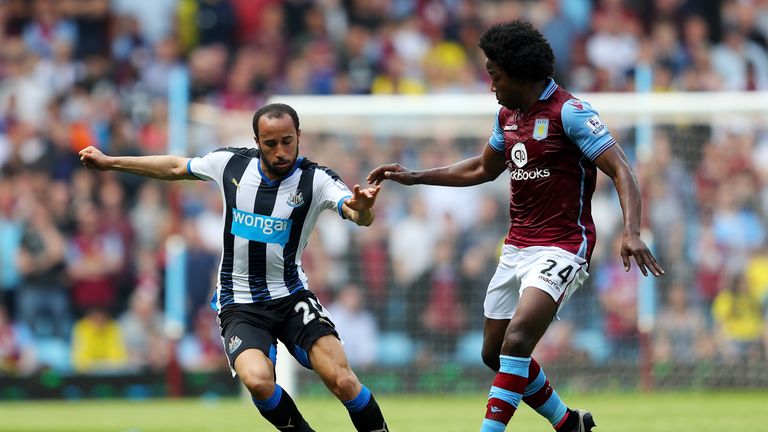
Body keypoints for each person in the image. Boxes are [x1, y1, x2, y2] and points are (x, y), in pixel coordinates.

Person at [368, 20, 664, 432]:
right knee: (495, 353)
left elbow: (621, 169)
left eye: (495, 75)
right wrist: (417, 176)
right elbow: (481, 168)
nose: (491, 84)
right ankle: (567, 423)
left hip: (563, 245)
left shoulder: (570, 112)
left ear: (519, 72)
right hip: (517, 246)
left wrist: (632, 231)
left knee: (519, 340)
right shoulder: (506, 116)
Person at [80, 103, 388, 432]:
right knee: (257, 380)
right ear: (257, 141)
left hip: (291, 296)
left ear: (299, 136)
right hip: (239, 302)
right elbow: (174, 167)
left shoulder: (316, 179)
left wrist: (365, 208)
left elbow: (358, 215)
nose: (281, 151)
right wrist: (111, 163)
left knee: (342, 379)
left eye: (287, 141)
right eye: (271, 144)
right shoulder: (230, 164)